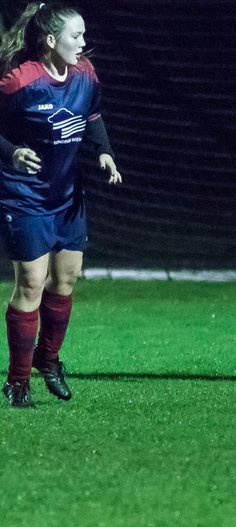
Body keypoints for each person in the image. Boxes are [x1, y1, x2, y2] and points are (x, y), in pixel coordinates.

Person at [0, 2, 121, 409]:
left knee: (65, 281)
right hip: (26, 196)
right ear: (51, 41)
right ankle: (17, 382)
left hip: (68, 196)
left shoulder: (85, 73)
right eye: (76, 36)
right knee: (31, 284)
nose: (84, 43)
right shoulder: (20, 81)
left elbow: (93, 114)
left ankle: (47, 361)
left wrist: (103, 151)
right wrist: (12, 152)